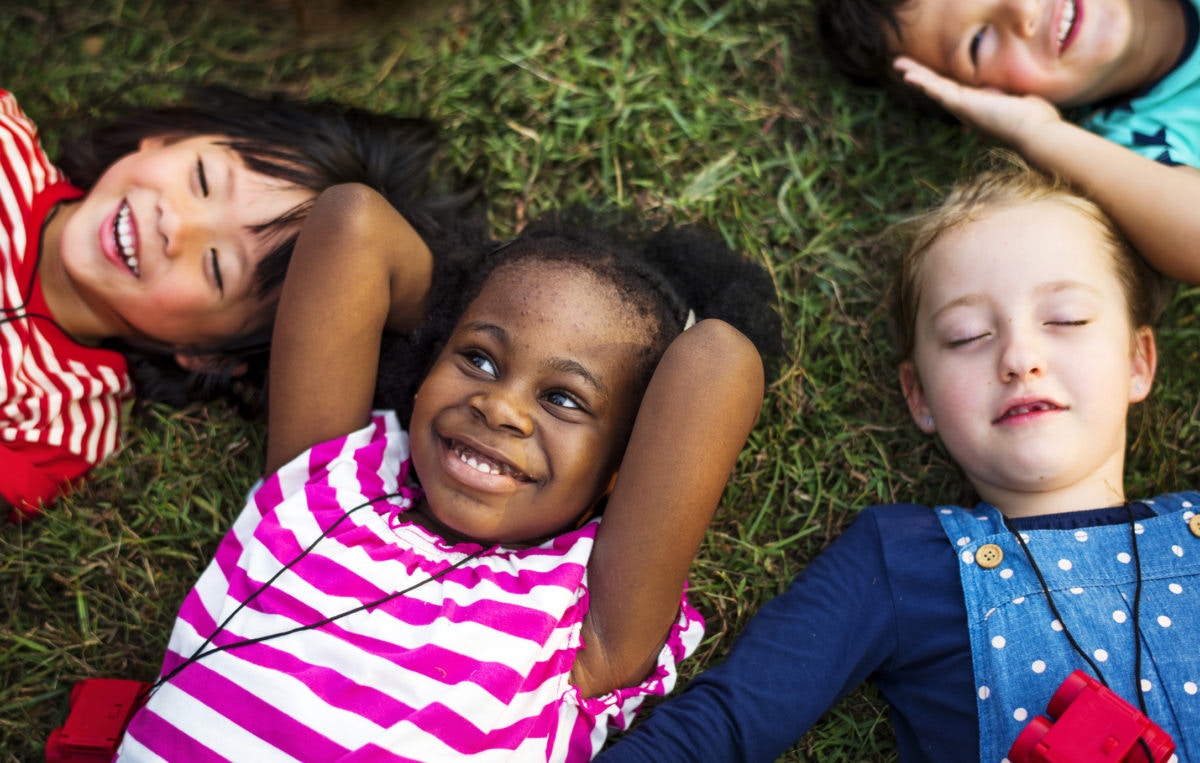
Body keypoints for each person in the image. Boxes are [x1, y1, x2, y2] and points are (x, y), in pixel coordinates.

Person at [112, 183, 783, 761]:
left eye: (563, 399)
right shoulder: (324, 488)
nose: (499, 406)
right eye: (479, 359)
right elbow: (352, 222)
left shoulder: (585, 625)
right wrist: (456, 301)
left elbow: (717, 360)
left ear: (624, 467)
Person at [596, 157, 1200, 762]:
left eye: (1067, 319)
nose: (1021, 358)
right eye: (968, 335)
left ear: (1137, 361)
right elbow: (723, 726)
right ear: (919, 396)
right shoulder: (901, 561)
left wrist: (1037, 128)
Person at [0, 85, 469, 520]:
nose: (174, 226)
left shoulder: (65, 421)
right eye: (203, 180)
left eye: (215, 267)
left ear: (206, 353)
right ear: (167, 138)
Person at [814, 0, 1200, 287]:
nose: (1024, 9)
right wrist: (1037, 131)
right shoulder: (1130, 148)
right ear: (990, 98)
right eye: (979, 41)